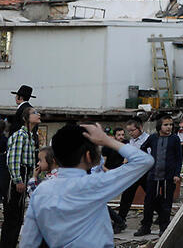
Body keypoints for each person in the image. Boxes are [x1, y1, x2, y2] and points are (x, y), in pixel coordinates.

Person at [20, 123, 153, 247]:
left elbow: (28, 242)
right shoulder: (95, 184)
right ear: (88, 156)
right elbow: (145, 161)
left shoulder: (41, 191)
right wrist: (106, 140)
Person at [135, 115, 182, 237]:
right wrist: (147, 161)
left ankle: (164, 227)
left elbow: (179, 158)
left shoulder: (175, 139)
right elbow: (143, 148)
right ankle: (146, 226)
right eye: (166, 125)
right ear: (159, 126)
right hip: (153, 175)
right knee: (149, 202)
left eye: (171, 125)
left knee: (167, 203)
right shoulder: (153, 138)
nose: (169, 127)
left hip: (169, 176)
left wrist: (177, 173)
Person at [1, 105, 39, 248]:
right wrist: (18, 180)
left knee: (18, 218)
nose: (39, 114)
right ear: (26, 118)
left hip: (25, 176)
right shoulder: (20, 135)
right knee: (12, 217)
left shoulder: (30, 136)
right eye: (34, 113)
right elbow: (13, 160)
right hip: (16, 178)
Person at [115, 118, 150, 225]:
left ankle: (160, 216)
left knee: (152, 196)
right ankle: (120, 220)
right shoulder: (131, 141)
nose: (130, 133)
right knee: (126, 197)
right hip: (133, 173)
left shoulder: (148, 139)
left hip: (144, 173)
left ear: (140, 128)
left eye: (132, 130)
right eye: (128, 131)